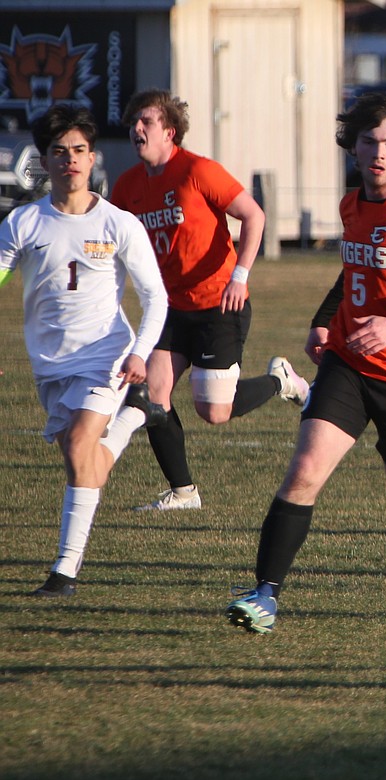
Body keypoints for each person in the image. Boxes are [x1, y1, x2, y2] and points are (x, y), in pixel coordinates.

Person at [224, 90, 386, 634]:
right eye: (370, 142)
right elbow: (353, 274)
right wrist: (325, 318)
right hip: (349, 363)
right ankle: (265, 595)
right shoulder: (352, 204)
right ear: (354, 146)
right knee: (303, 472)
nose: (380, 153)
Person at [109, 89, 310, 511]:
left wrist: (240, 275)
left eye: (146, 122)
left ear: (170, 131)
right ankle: (183, 492)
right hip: (167, 307)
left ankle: (281, 381)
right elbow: (109, 244)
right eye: (134, 122)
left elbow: (254, 215)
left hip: (220, 304)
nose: (137, 129)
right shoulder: (127, 187)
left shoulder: (197, 170)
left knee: (214, 412)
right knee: (149, 392)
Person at [0, 104, 168, 596]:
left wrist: (139, 353)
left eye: (78, 150)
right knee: (86, 460)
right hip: (50, 365)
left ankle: (63, 574)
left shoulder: (119, 224)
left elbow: (156, 296)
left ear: (92, 158)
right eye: (59, 152)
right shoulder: (23, 224)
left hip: (106, 355)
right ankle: (136, 418)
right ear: (44, 161)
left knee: (78, 447)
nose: (69, 160)